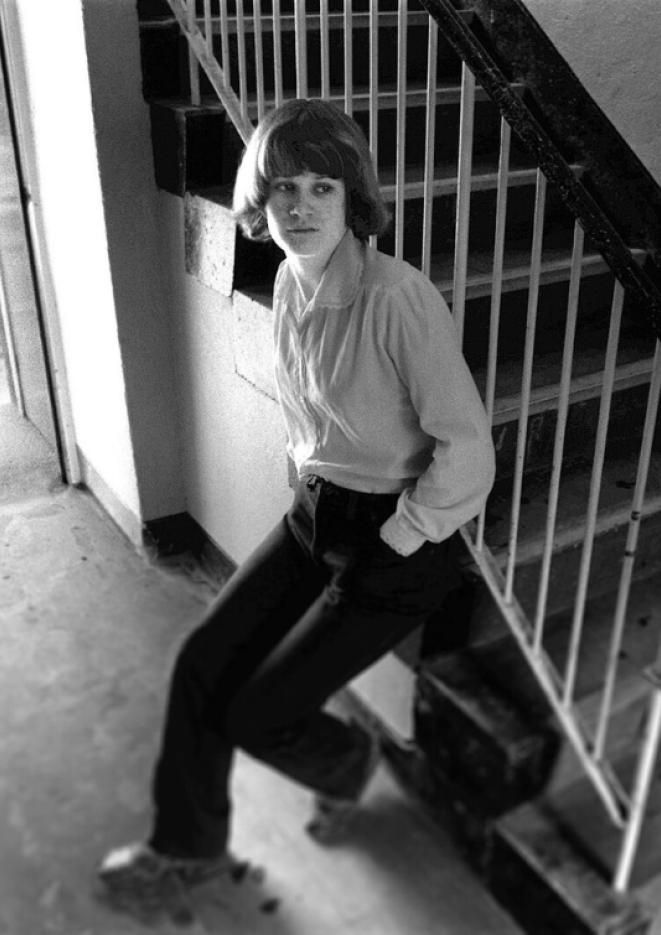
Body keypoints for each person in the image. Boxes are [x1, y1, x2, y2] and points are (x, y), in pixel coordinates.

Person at [97, 98, 495, 905]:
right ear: (260, 201)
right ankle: (188, 848)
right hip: (316, 512)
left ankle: (347, 763)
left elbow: (469, 451)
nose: (301, 206)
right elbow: (309, 415)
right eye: (283, 188)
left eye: (322, 187)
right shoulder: (286, 279)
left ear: (352, 199)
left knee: (255, 712)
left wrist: (401, 535)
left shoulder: (397, 299)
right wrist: (305, 491)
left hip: (396, 535)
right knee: (202, 665)